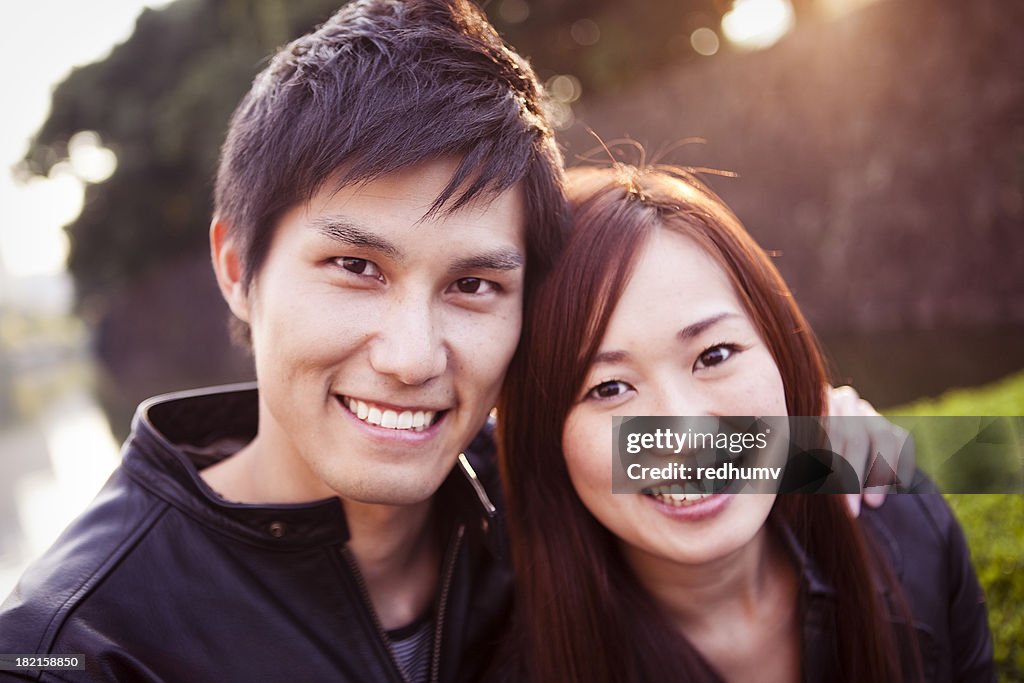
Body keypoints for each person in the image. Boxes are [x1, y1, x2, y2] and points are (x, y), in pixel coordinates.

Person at [0, 2, 905, 681]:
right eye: (356, 266)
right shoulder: (73, 643)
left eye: (474, 285)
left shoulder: (540, 481)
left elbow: (910, 457)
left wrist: (821, 439)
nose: (411, 355)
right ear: (238, 265)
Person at [496, 164, 994, 682]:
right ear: (544, 435)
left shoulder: (904, 523)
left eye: (714, 355)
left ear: (778, 349)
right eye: (609, 388)